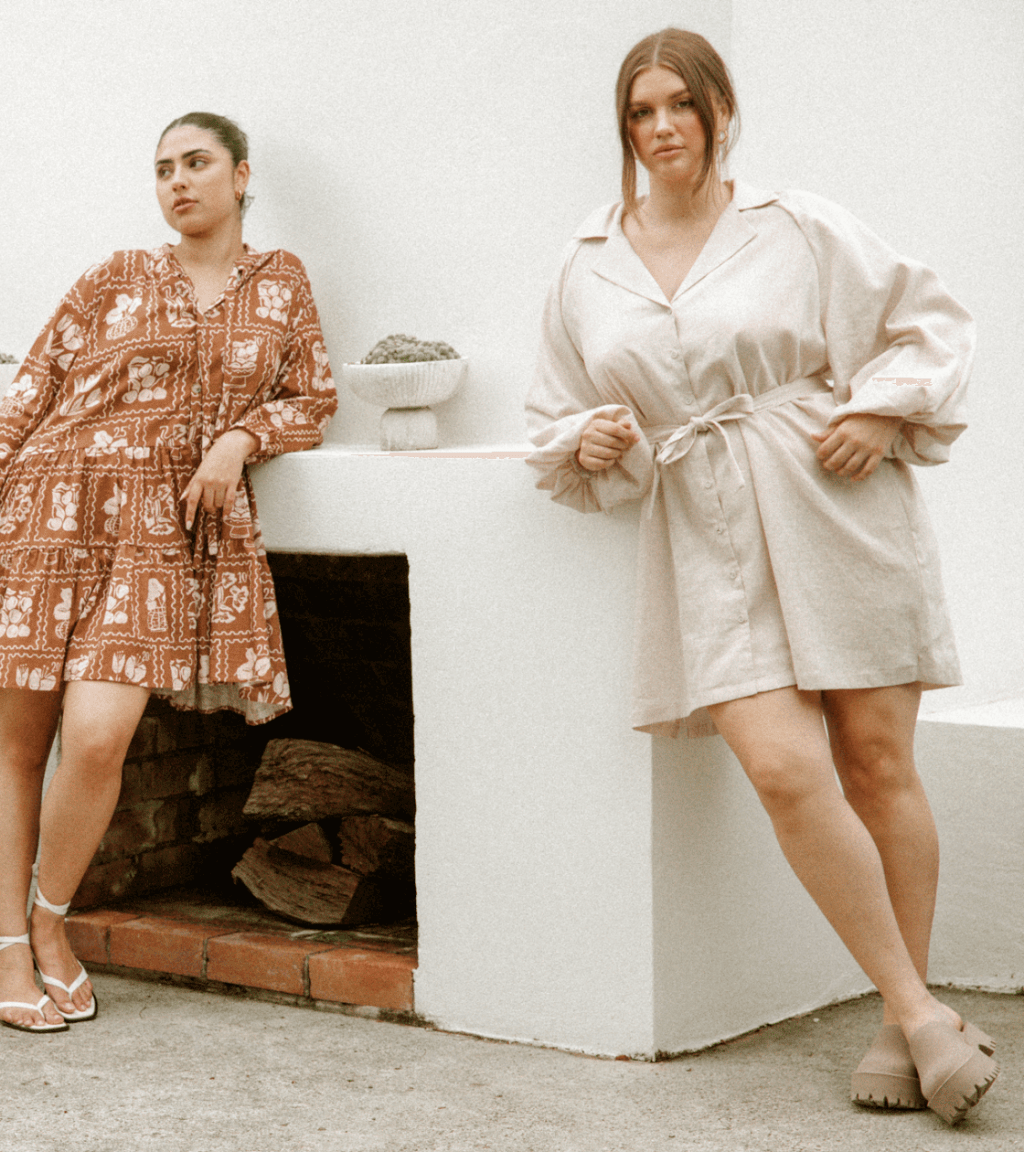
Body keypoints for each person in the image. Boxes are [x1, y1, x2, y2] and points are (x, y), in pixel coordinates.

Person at [525, 28, 995, 1124]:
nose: (659, 129)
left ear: (718, 109)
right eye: (638, 112)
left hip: (833, 500)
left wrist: (879, 409)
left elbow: (929, 323)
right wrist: (594, 443)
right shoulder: (584, 259)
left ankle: (895, 1025)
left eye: (677, 105)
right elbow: (552, 418)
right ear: (623, 127)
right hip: (700, 526)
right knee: (785, 772)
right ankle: (922, 1008)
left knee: (874, 763)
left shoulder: (794, 224)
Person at [0, 112, 338, 1032]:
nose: (177, 182)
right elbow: (29, 390)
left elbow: (311, 396)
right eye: (162, 169)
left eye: (197, 164)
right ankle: (7, 947)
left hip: (156, 539)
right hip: (46, 514)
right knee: (19, 743)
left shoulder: (283, 286)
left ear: (241, 175)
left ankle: (50, 920)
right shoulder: (114, 276)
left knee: (102, 735)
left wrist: (241, 436)